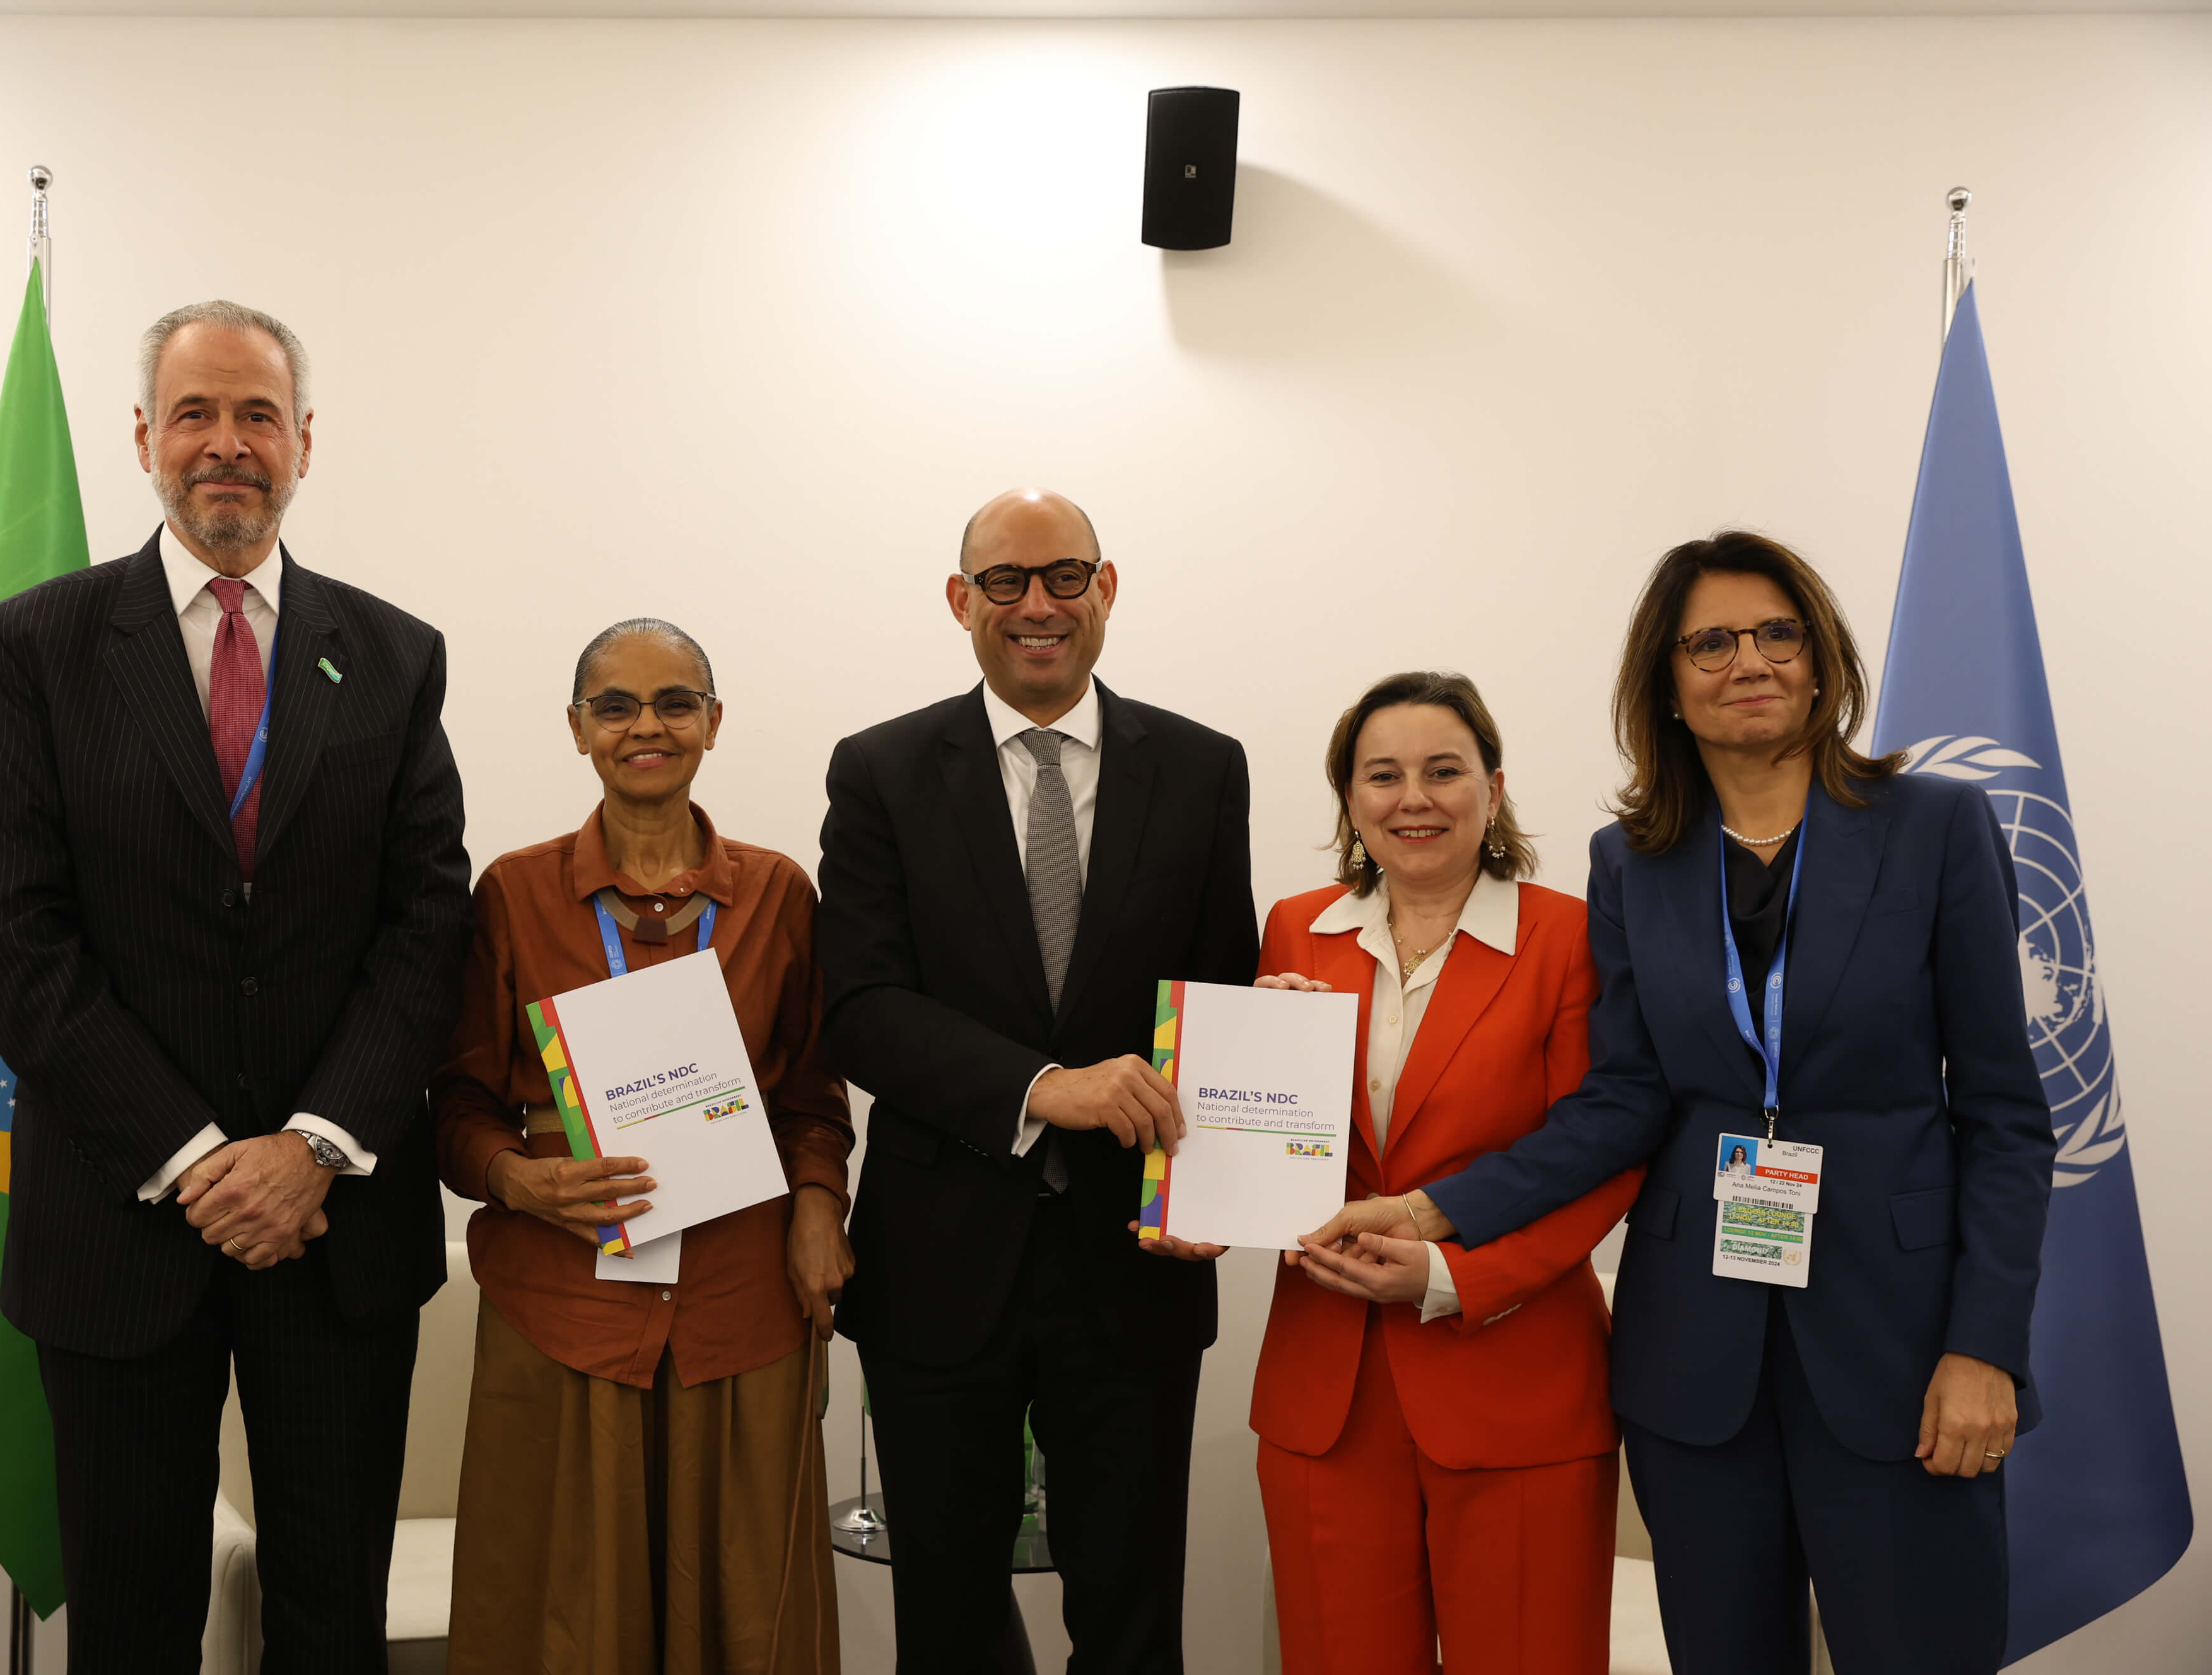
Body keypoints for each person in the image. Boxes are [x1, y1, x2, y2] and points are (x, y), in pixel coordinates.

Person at [1340, 531, 2054, 1673]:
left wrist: (1987, 1349)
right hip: (1696, 1362)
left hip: (1902, 1351)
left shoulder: (1933, 828)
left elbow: (2008, 1114)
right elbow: (1624, 1098)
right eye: (1709, 642)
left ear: (1821, 663)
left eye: (1778, 633)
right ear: (1667, 686)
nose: (1749, 661)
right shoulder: (1633, 860)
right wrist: (1436, 1209)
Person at [0, 300, 472, 1672]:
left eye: (257, 415)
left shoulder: (395, 653)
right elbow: (12, 939)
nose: (227, 444)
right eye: (196, 413)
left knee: (330, 1620)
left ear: (304, 442)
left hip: (336, 1226)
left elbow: (427, 928)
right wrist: (197, 1159)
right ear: (145, 438)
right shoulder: (33, 649)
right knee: (130, 1627)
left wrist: (311, 1146)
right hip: (118, 1228)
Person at [816, 488, 1258, 1674]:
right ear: (960, 603)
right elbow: (858, 1010)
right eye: (1004, 582)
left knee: (1131, 1618)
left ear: (1108, 588)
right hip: (939, 1267)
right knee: (949, 1626)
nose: (1038, 605)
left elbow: (1219, 1003)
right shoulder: (882, 771)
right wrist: (1039, 1087)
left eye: (1065, 575)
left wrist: (1242, 1140)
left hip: (1137, 1269)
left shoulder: (1207, 769)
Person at [432, 618, 854, 1675]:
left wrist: (819, 1208)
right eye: (615, 706)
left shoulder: (778, 894)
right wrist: (518, 1181)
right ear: (578, 731)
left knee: (752, 1605)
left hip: (744, 1300)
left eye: (674, 702)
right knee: (566, 1614)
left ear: (713, 722)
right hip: (566, 1301)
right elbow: (454, 1105)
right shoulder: (515, 895)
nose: (646, 726)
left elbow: (812, 1095)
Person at [1248, 672, 1642, 1675]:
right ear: (1349, 799)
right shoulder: (1296, 929)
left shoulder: (1572, 935)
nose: (1412, 798)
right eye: (1382, 775)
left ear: (1494, 790)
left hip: (1514, 1375)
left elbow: (1603, 1153)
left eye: (1443, 771)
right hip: (1325, 1383)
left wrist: (1453, 1277)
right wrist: (1244, 1071)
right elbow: (1267, 1139)